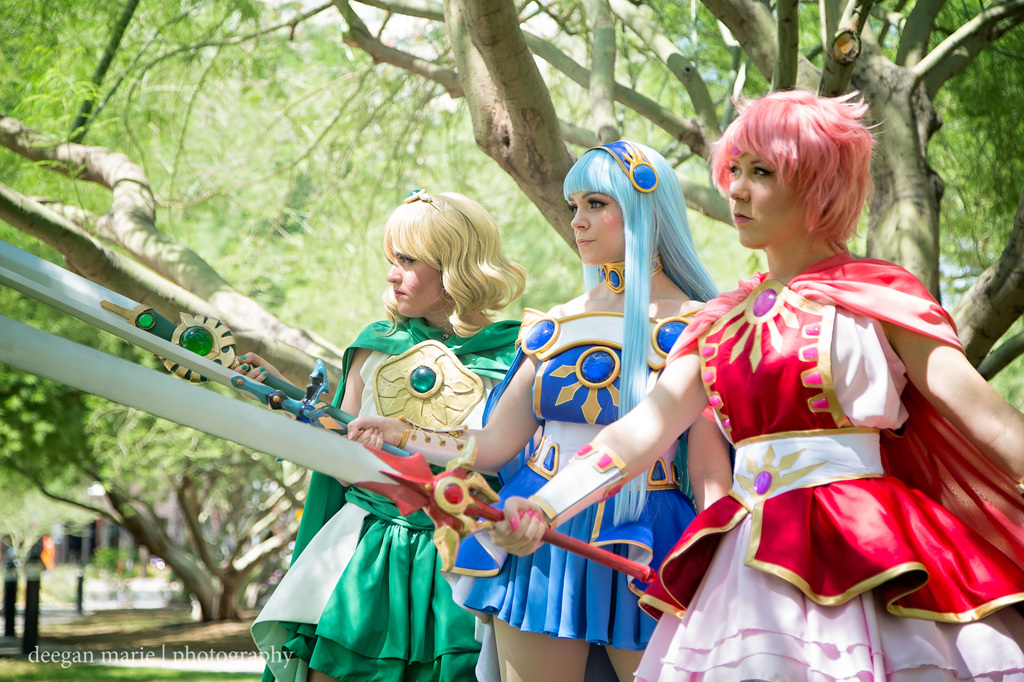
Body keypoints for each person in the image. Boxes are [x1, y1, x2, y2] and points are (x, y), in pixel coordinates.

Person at [492, 90, 1024, 681]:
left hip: (869, 548)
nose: (737, 190)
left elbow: (993, 425)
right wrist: (546, 503)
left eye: (762, 173)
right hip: (746, 568)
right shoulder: (718, 320)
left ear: (820, 185)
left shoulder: (880, 297)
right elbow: (639, 433)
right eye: (735, 171)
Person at [349, 141, 728, 682]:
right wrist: (402, 431)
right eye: (574, 206)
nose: (578, 221)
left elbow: (710, 471)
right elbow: (491, 445)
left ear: (644, 206)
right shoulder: (554, 325)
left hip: (647, 529)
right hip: (536, 534)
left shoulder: (701, 325)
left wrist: (721, 554)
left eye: (596, 204)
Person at [245, 190, 527, 682]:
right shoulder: (375, 346)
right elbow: (341, 453)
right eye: (391, 260)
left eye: (408, 260)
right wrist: (284, 396)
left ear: (455, 264)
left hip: (464, 559)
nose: (393, 275)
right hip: (367, 552)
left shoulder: (517, 356)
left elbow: (511, 462)